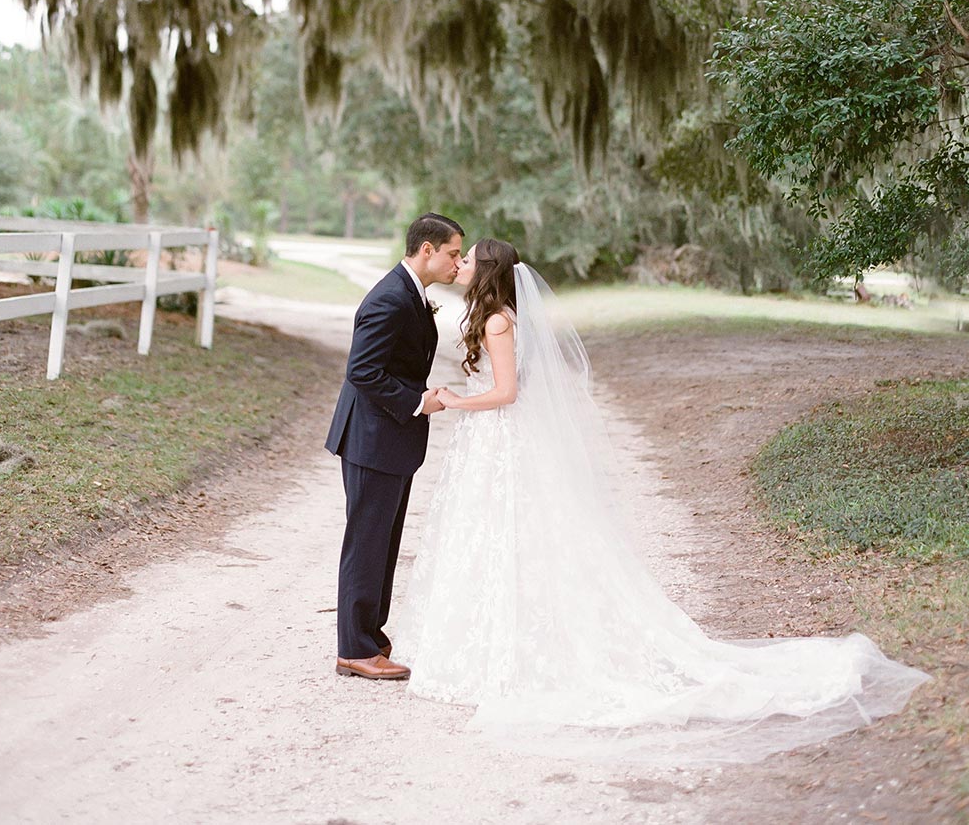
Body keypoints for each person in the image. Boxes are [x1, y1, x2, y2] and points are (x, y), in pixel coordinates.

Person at [389, 239, 930, 765]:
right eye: (456, 259)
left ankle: (508, 652)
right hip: (487, 445)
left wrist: (457, 400)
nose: (459, 266)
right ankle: (481, 643)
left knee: (513, 534)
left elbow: (507, 392)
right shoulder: (487, 314)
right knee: (484, 538)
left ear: (488, 273)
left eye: (469, 261)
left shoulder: (499, 320)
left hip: (501, 437)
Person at [325, 212, 464, 681]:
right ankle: (354, 649)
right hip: (371, 437)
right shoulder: (389, 298)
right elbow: (361, 371)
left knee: (384, 540)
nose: (457, 263)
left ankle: (371, 636)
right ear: (427, 250)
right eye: (452, 253)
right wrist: (416, 402)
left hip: (390, 438)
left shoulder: (413, 294)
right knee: (366, 541)